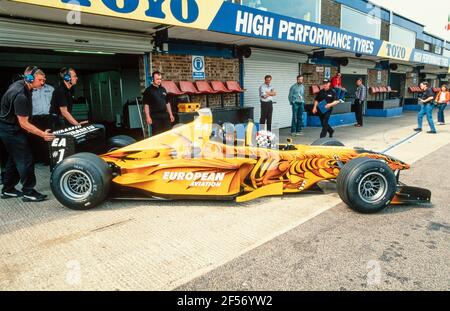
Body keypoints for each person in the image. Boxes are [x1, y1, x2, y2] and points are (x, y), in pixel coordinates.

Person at [0, 66, 55, 202]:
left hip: (12, 127)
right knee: (26, 159)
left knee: (14, 159)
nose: (43, 83)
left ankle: (8, 190)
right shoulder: (21, 95)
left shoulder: (24, 86)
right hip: (11, 130)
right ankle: (29, 192)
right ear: (29, 79)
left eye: (44, 80)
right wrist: (42, 134)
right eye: (40, 80)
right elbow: (24, 123)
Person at [30, 76, 54, 164]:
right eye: (40, 79)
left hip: (48, 117)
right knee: (35, 138)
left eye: (44, 79)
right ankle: (37, 158)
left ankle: (48, 159)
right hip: (35, 118)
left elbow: (54, 102)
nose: (42, 81)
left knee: (48, 138)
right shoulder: (31, 89)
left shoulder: (51, 89)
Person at [143, 71, 175, 136]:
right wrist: (148, 117)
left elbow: (167, 103)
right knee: (157, 135)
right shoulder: (148, 90)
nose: (159, 81)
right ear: (153, 79)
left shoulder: (163, 89)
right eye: (157, 79)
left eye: (160, 79)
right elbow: (146, 105)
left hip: (165, 115)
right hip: (155, 117)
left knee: (168, 134)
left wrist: (171, 114)